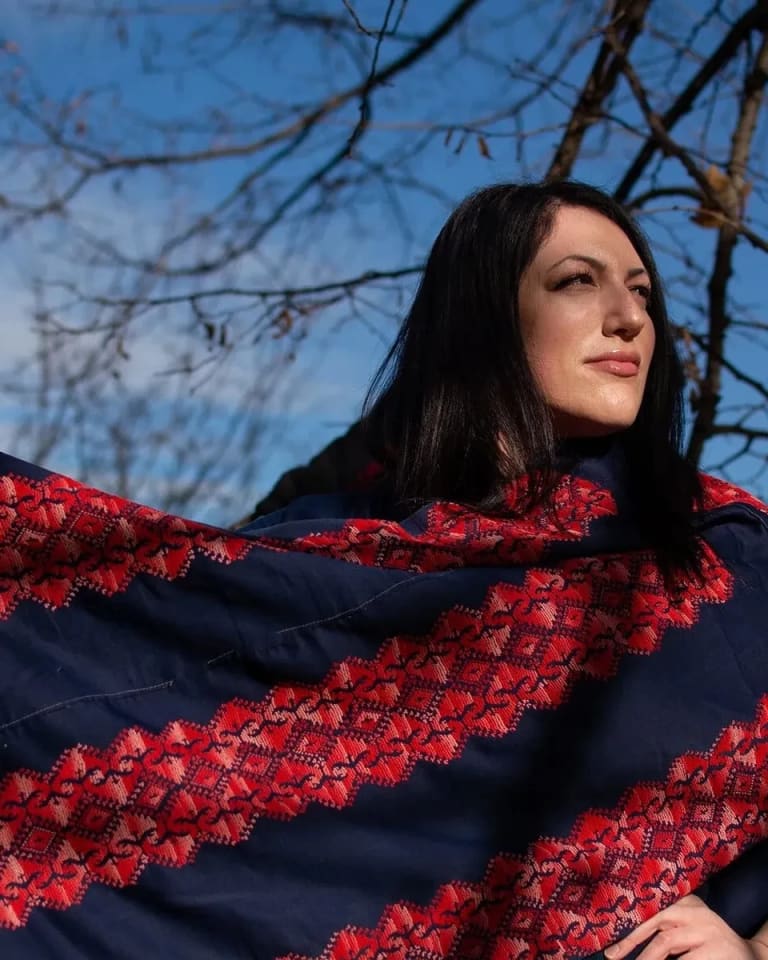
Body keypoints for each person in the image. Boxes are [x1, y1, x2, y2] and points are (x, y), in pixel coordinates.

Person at [0, 181, 767, 959]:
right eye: (577, 281)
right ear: (484, 319)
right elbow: (135, 670)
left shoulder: (724, 559)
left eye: (641, 292)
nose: (630, 317)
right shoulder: (344, 565)